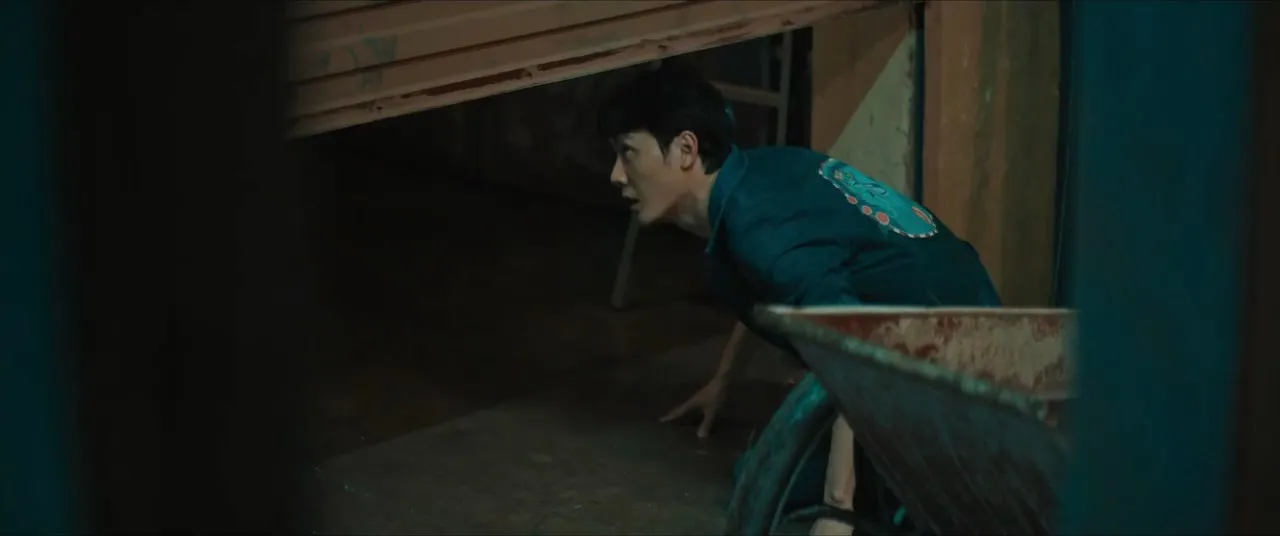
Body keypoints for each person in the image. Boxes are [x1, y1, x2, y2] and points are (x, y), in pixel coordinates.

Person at [596, 63, 1001, 535]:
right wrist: (722, 383)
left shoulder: (761, 229)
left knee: (782, 491)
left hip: (953, 368)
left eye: (628, 153)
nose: (616, 175)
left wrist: (837, 509)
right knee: (762, 473)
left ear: (685, 150)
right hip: (943, 328)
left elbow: (852, 348)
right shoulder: (754, 179)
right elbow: (771, 287)